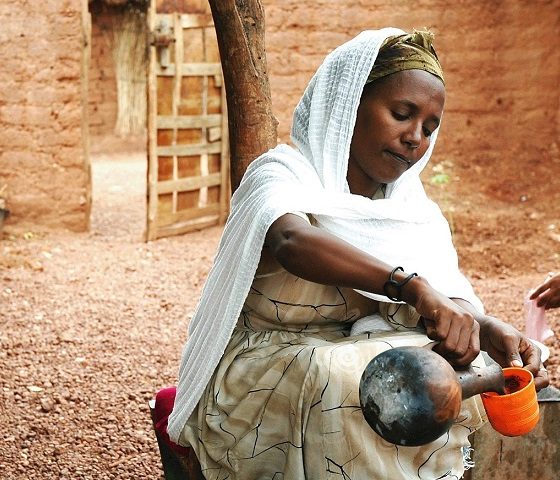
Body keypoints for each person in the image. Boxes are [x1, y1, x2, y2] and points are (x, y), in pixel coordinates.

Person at [167, 28, 549, 479]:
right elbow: (291, 241)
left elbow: (450, 304)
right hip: (262, 370)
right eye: (402, 114)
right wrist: (412, 288)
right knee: (356, 377)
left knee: (444, 370)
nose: (416, 139)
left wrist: (483, 329)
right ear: (348, 106)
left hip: (364, 354)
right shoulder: (282, 174)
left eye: (430, 127)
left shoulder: (411, 210)